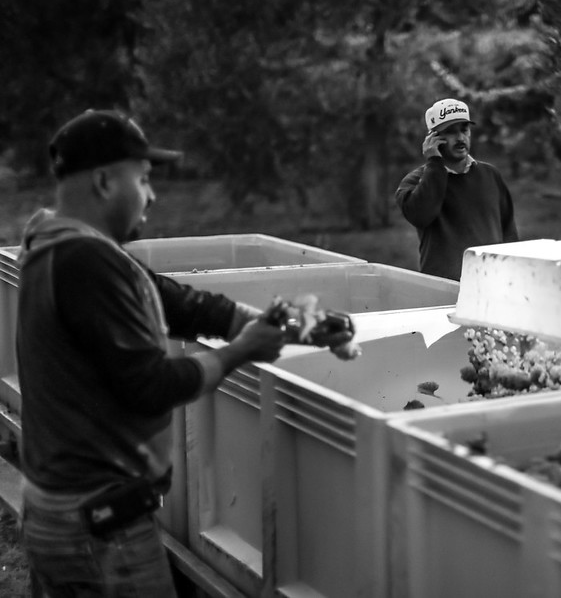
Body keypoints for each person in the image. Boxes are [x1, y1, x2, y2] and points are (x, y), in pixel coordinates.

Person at [15, 109, 357, 597]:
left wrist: (287, 326)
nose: (151, 196)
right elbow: (148, 386)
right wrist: (240, 352)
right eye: (145, 179)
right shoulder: (82, 262)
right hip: (98, 527)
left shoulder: (69, 249)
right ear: (106, 181)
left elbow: (184, 305)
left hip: (69, 513)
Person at [395, 98, 518, 280]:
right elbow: (421, 215)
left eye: (464, 130)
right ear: (432, 138)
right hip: (444, 289)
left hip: (493, 282)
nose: (460, 138)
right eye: (451, 132)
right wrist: (435, 164)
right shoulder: (414, 181)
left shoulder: (490, 174)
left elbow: (509, 232)